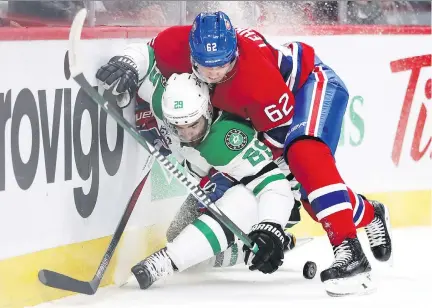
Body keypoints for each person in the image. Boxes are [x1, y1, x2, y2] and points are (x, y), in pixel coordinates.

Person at [95, 11, 392, 296]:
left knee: (303, 156)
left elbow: (279, 153)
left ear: (235, 51)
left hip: (308, 86)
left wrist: (269, 219)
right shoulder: (177, 43)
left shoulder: (258, 85)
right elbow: (148, 59)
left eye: (222, 64)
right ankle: (370, 213)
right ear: (191, 52)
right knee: (315, 204)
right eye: (205, 64)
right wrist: (128, 64)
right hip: (262, 115)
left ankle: (349, 253)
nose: (213, 73)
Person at [124, 71, 298, 289]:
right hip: (226, 175)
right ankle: (249, 243)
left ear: (207, 110)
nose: (186, 135)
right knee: (177, 235)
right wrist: (128, 68)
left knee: (233, 208)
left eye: (193, 126)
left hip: (276, 191)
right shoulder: (170, 107)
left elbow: (273, 186)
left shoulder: (226, 139)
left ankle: (164, 263)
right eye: (179, 127)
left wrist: (270, 226)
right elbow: (147, 61)